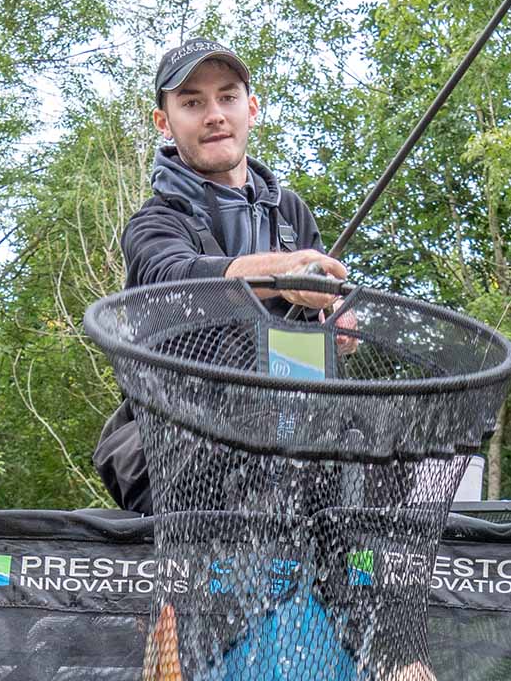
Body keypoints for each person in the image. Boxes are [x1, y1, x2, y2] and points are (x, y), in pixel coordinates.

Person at [93, 38, 351, 515]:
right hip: (179, 457)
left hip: (295, 447)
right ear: (164, 123)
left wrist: (337, 319)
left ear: (251, 109)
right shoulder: (156, 221)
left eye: (227, 97)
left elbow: (320, 321)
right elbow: (175, 277)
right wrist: (279, 273)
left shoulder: (291, 213)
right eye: (192, 102)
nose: (214, 114)